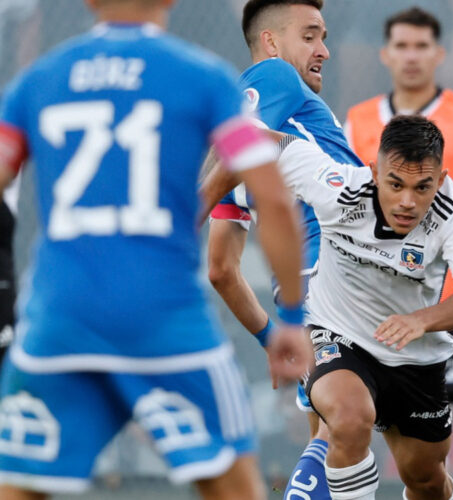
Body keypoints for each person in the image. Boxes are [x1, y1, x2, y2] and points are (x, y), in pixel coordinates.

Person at [0, 0, 313, 498]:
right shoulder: (204, 77)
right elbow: (273, 201)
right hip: (163, 318)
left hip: (61, 317)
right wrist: (292, 320)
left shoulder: (39, 80)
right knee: (237, 488)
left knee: (17, 488)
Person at [207, 115, 453, 499]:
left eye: (422, 187)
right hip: (336, 333)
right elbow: (245, 139)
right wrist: (191, 211)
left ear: (441, 180)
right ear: (374, 172)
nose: (407, 201)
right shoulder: (338, 186)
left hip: (415, 358)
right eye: (395, 184)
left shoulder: (452, 213)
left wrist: (421, 320)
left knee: (425, 479)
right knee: (348, 417)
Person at [204, 1, 366, 498]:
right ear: (272, 43)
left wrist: (272, 338)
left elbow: (222, 270)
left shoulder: (233, 135)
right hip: (342, 265)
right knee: (346, 423)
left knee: (343, 434)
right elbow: (244, 145)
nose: (325, 50)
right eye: (311, 35)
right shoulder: (274, 74)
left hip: (316, 283)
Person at [344, 6, 453, 403]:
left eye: (421, 46)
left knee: (437, 407)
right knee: (362, 403)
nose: (411, 55)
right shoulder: (359, 120)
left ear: (439, 54)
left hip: (439, 296)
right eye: (401, 45)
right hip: (368, 293)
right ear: (385, 54)